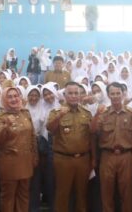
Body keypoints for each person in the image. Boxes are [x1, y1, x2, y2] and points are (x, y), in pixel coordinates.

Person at [46, 81, 94, 212]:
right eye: (70, 93)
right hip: (63, 160)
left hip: (83, 159)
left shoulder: (87, 113)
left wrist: (92, 159)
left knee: (82, 194)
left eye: (76, 93)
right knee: (62, 194)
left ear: (80, 95)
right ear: (65, 95)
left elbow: (91, 137)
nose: (73, 96)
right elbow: (50, 129)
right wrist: (60, 116)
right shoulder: (56, 111)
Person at [92, 82, 132, 212]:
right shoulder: (103, 113)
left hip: (126, 156)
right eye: (113, 93)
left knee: (127, 193)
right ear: (108, 95)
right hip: (107, 156)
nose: (116, 96)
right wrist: (96, 115)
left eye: (118, 93)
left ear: (123, 94)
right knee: (106, 192)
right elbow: (93, 131)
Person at [0, 85, 37, 212]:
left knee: (24, 195)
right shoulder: (0, 117)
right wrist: (6, 126)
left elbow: (32, 135)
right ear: (4, 100)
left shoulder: (25, 113)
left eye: (16, 96)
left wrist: (35, 156)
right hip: (9, 162)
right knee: (8, 196)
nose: (14, 99)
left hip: (26, 161)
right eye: (10, 97)